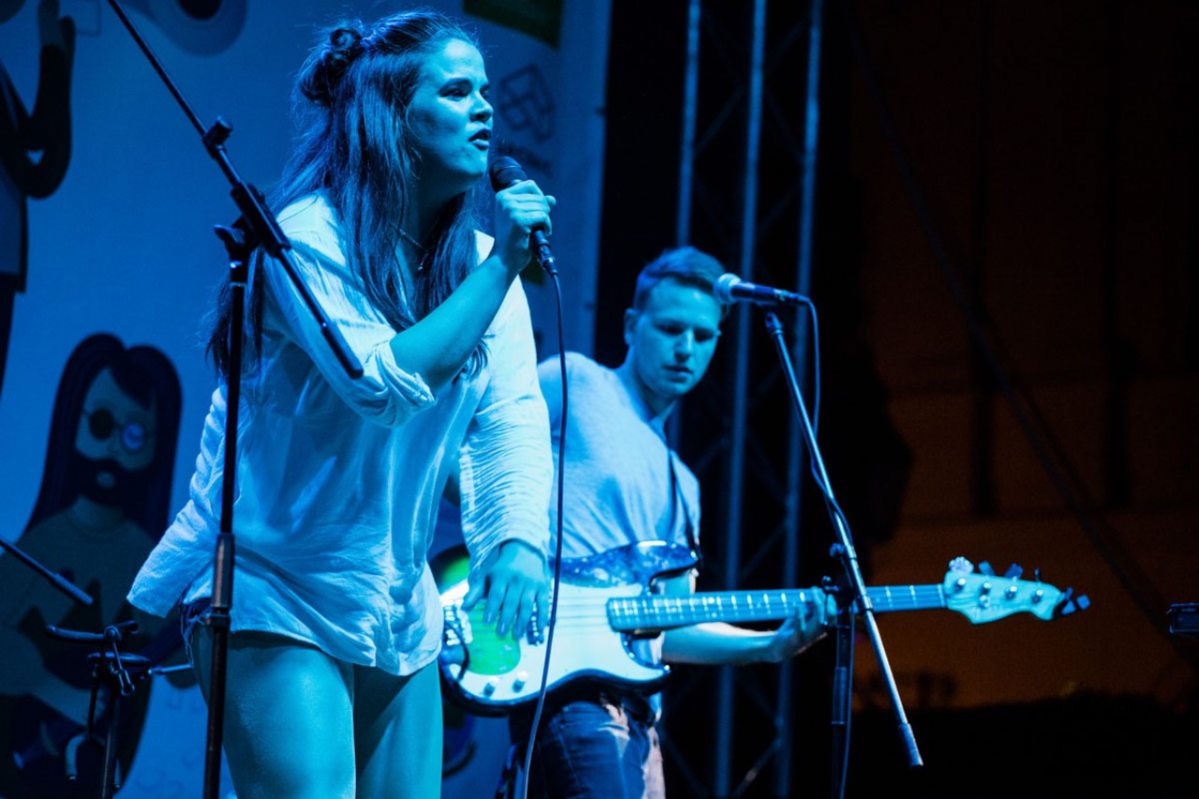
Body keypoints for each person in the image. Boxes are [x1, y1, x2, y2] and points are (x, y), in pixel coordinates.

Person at [127, 11, 554, 799]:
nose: (484, 109)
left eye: (485, 92)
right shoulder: (308, 236)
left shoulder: (478, 261)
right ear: (389, 116)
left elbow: (509, 420)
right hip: (273, 579)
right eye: (456, 91)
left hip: (396, 600)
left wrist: (517, 538)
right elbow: (379, 386)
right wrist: (501, 272)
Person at [509, 247, 829, 798]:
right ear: (631, 326)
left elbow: (670, 627)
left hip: (639, 717)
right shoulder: (576, 382)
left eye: (703, 336)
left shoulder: (686, 484)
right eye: (670, 328)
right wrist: (515, 553)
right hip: (568, 689)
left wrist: (770, 646)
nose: (686, 349)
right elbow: (477, 452)